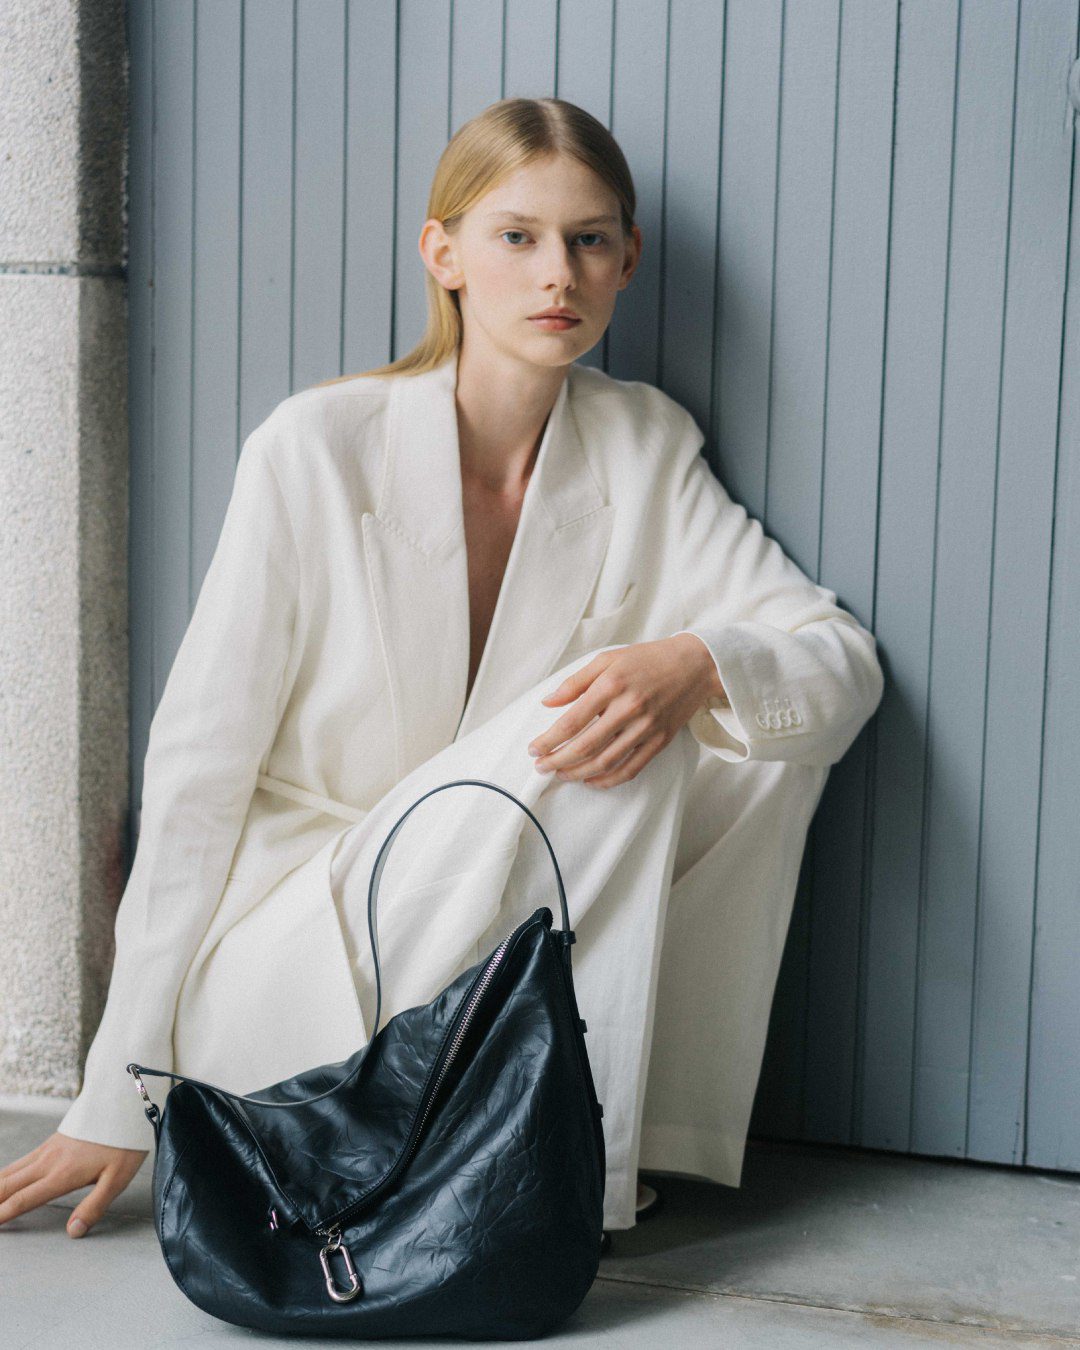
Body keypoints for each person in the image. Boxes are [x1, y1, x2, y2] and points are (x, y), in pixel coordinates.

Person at [0, 96, 884, 1243]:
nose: (557, 272)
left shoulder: (644, 445)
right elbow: (197, 771)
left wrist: (698, 662)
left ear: (627, 262)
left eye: (589, 240)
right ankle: (547, 1170)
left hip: (485, 944)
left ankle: (587, 1145)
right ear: (444, 253)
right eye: (517, 236)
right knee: (610, 704)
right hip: (306, 944)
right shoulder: (316, 448)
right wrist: (119, 1087)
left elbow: (837, 664)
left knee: (717, 707)